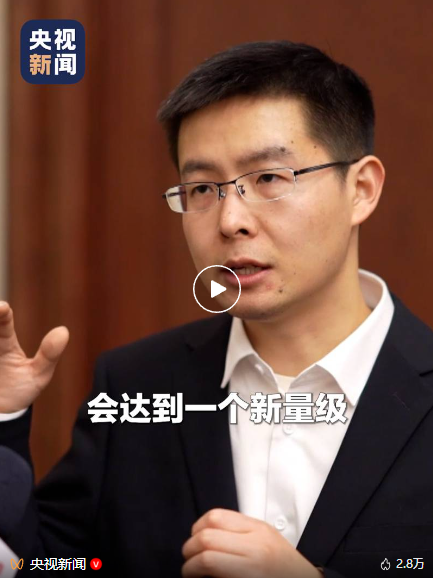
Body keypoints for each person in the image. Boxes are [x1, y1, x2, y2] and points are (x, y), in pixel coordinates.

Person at [1, 40, 432, 578]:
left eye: (269, 178)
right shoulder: (137, 386)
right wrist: (4, 417)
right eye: (202, 188)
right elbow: (52, 563)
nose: (230, 221)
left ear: (361, 189)